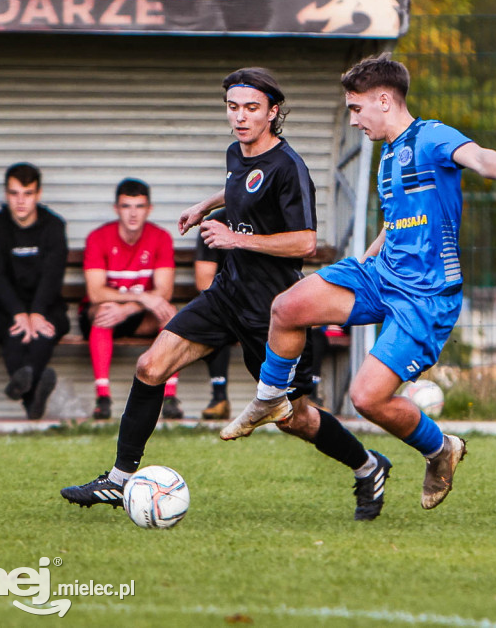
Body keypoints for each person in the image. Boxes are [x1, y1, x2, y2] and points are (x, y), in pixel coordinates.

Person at [222, 55, 496, 511]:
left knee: (366, 398)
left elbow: (476, 156)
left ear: (383, 99)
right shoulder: (388, 155)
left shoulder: (430, 137)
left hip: (425, 297)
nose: (354, 119)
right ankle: (269, 400)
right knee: (288, 307)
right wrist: (368, 257)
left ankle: (440, 449)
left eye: (357, 109)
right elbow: (398, 220)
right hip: (381, 275)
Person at [61, 67, 389, 521]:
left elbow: (305, 242)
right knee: (151, 366)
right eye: (233, 108)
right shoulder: (237, 152)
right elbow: (240, 184)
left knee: (295, 418)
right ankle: (118, 480)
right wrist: (206, 205)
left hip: (274, 313)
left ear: (273, 112)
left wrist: (237, 240)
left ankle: (369, 465)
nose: (240, 117)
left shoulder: (290, 169)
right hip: (226, 295)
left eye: (251, 108)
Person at [79, 178, 182, 421]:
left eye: (139, 206)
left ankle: (169, 397)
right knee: (104, 310)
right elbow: (95, 292)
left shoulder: (160, 238)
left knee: (170, 312)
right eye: (126, 206)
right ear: (116, 209)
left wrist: (129, 308)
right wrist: (141, 298)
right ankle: (102, 398)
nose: (133, 214)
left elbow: (164, 291)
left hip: (136, 316)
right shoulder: (98, 237)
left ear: (149, 209)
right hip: (101, 315)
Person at [0, 163, 69, 420]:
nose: (20, 201)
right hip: (2, 305)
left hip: (44, 302)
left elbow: (53, 275)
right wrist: (19, 313)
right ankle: (32, 400)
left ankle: (22, 388)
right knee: (15, 333)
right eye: (14, 193)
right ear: (6, 195)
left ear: (38, 195)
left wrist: (37, 312)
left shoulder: (53, 226)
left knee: (42, 333)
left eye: (27, 193)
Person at [194, 209, 233, 420]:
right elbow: (203, 282)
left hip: (268, 304)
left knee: (309, 323)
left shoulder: (274, 219)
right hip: (230, 305)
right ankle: (219, 398)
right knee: (218, 320)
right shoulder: (215, 222)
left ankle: (307, 398)